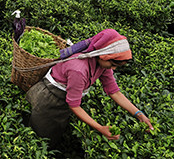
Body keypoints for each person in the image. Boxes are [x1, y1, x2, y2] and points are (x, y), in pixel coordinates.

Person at [25, 29, 153, 147]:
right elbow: (74, 105)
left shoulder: (102, 65)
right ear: (103, 55)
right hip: (49, 100)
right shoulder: (78, 70)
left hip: (63, 100)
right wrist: (100, 128)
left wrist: (138, 114)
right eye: (113, 64)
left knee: (55, 132)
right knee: (41, 138)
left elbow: (114, 91)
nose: (113, 69)